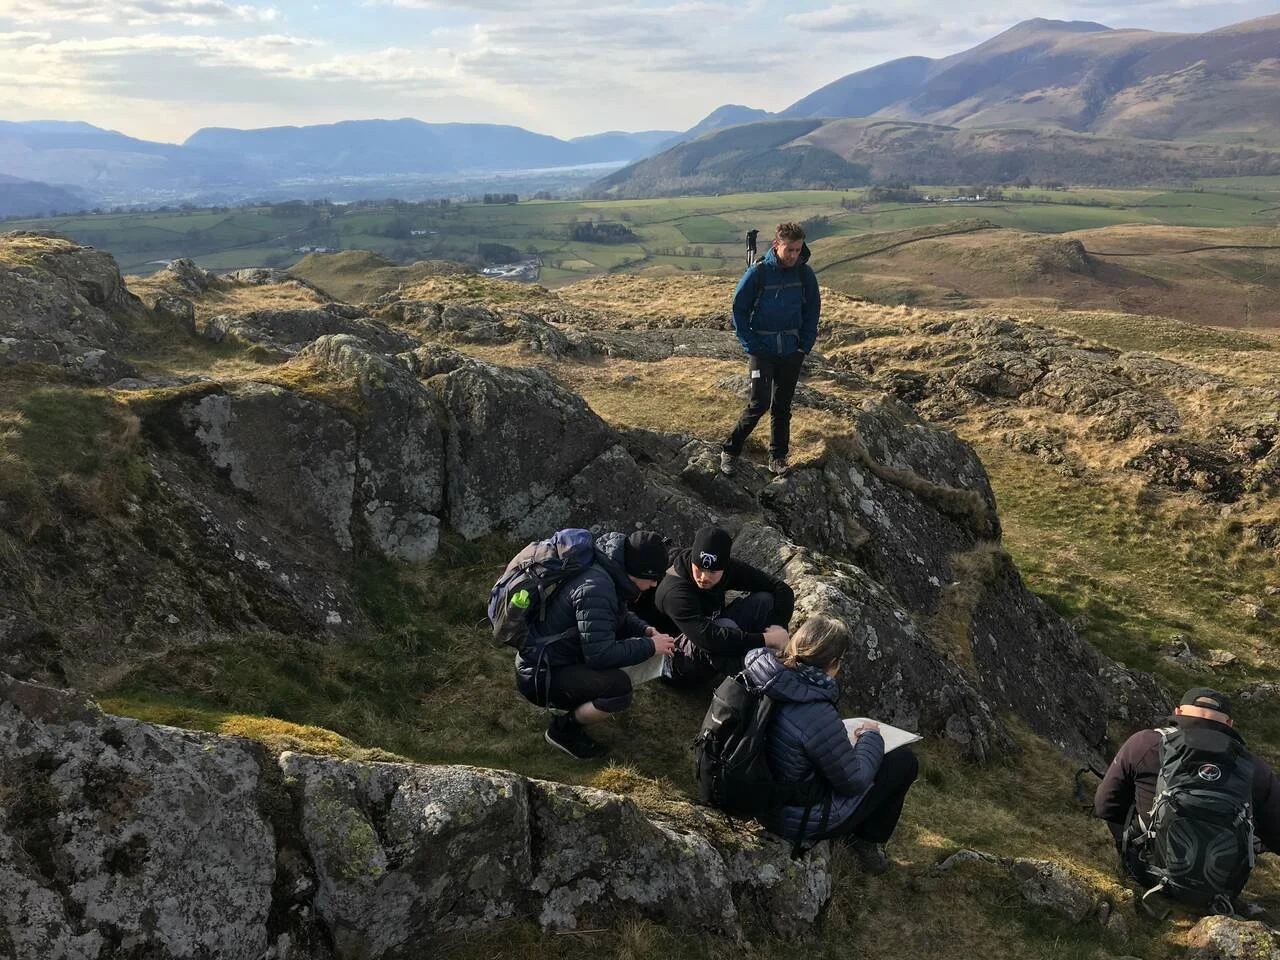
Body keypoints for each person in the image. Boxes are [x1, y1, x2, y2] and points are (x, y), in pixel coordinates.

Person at [743, 615, 918, 872]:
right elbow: (854, 781)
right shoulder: (815, 711)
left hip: (754, 797)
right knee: (904, 762)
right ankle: (866, 842)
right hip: (794, 818)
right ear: (833, 663)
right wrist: (871, 737)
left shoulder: (760, 674)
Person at [1094, 688, 1280, 909]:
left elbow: (1105, 806)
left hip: (1147, 874)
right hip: (1221, 890)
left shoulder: (1145, 743)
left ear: (1178, 712)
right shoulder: (1254, 767)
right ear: (1229, 724)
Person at [515, 530, 676, 760]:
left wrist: (644, 630)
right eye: (653, 578)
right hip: (540, 675)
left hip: (548, 659)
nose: (654, 584)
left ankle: (574, 704)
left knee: (618, 670)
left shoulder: (606, 573)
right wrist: (650, 646)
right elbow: (600, 655)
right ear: (638, 571)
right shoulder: (597, 588)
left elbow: (615, 615)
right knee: (618, 690)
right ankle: (563, 730)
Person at [720, 221, 821, 478]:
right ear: (777, 245)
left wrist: (803, 346)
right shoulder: (758, 273)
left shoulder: (805, 275)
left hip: (791, 351)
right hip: (762, 350)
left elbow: (812, 312)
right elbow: (738, 311)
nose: (794, 255)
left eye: (798, 250)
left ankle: (777, 458)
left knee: (782, 406)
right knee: (759, 402)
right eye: (790, 249)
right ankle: (730, 450)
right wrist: (752, 346)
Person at [653, 525, 794, 685]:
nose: (704, 577)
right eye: (699, 569)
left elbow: (781, 588)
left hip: (712, 629)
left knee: (764, 601)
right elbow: (709, 639)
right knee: (725, 627)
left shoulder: (727, 568)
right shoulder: (674, 592)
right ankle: (759, 678)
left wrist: (778, 627)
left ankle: (770, 662)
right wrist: (766, 639)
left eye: (712, 572)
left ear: (724, 567)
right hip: (673, 661)